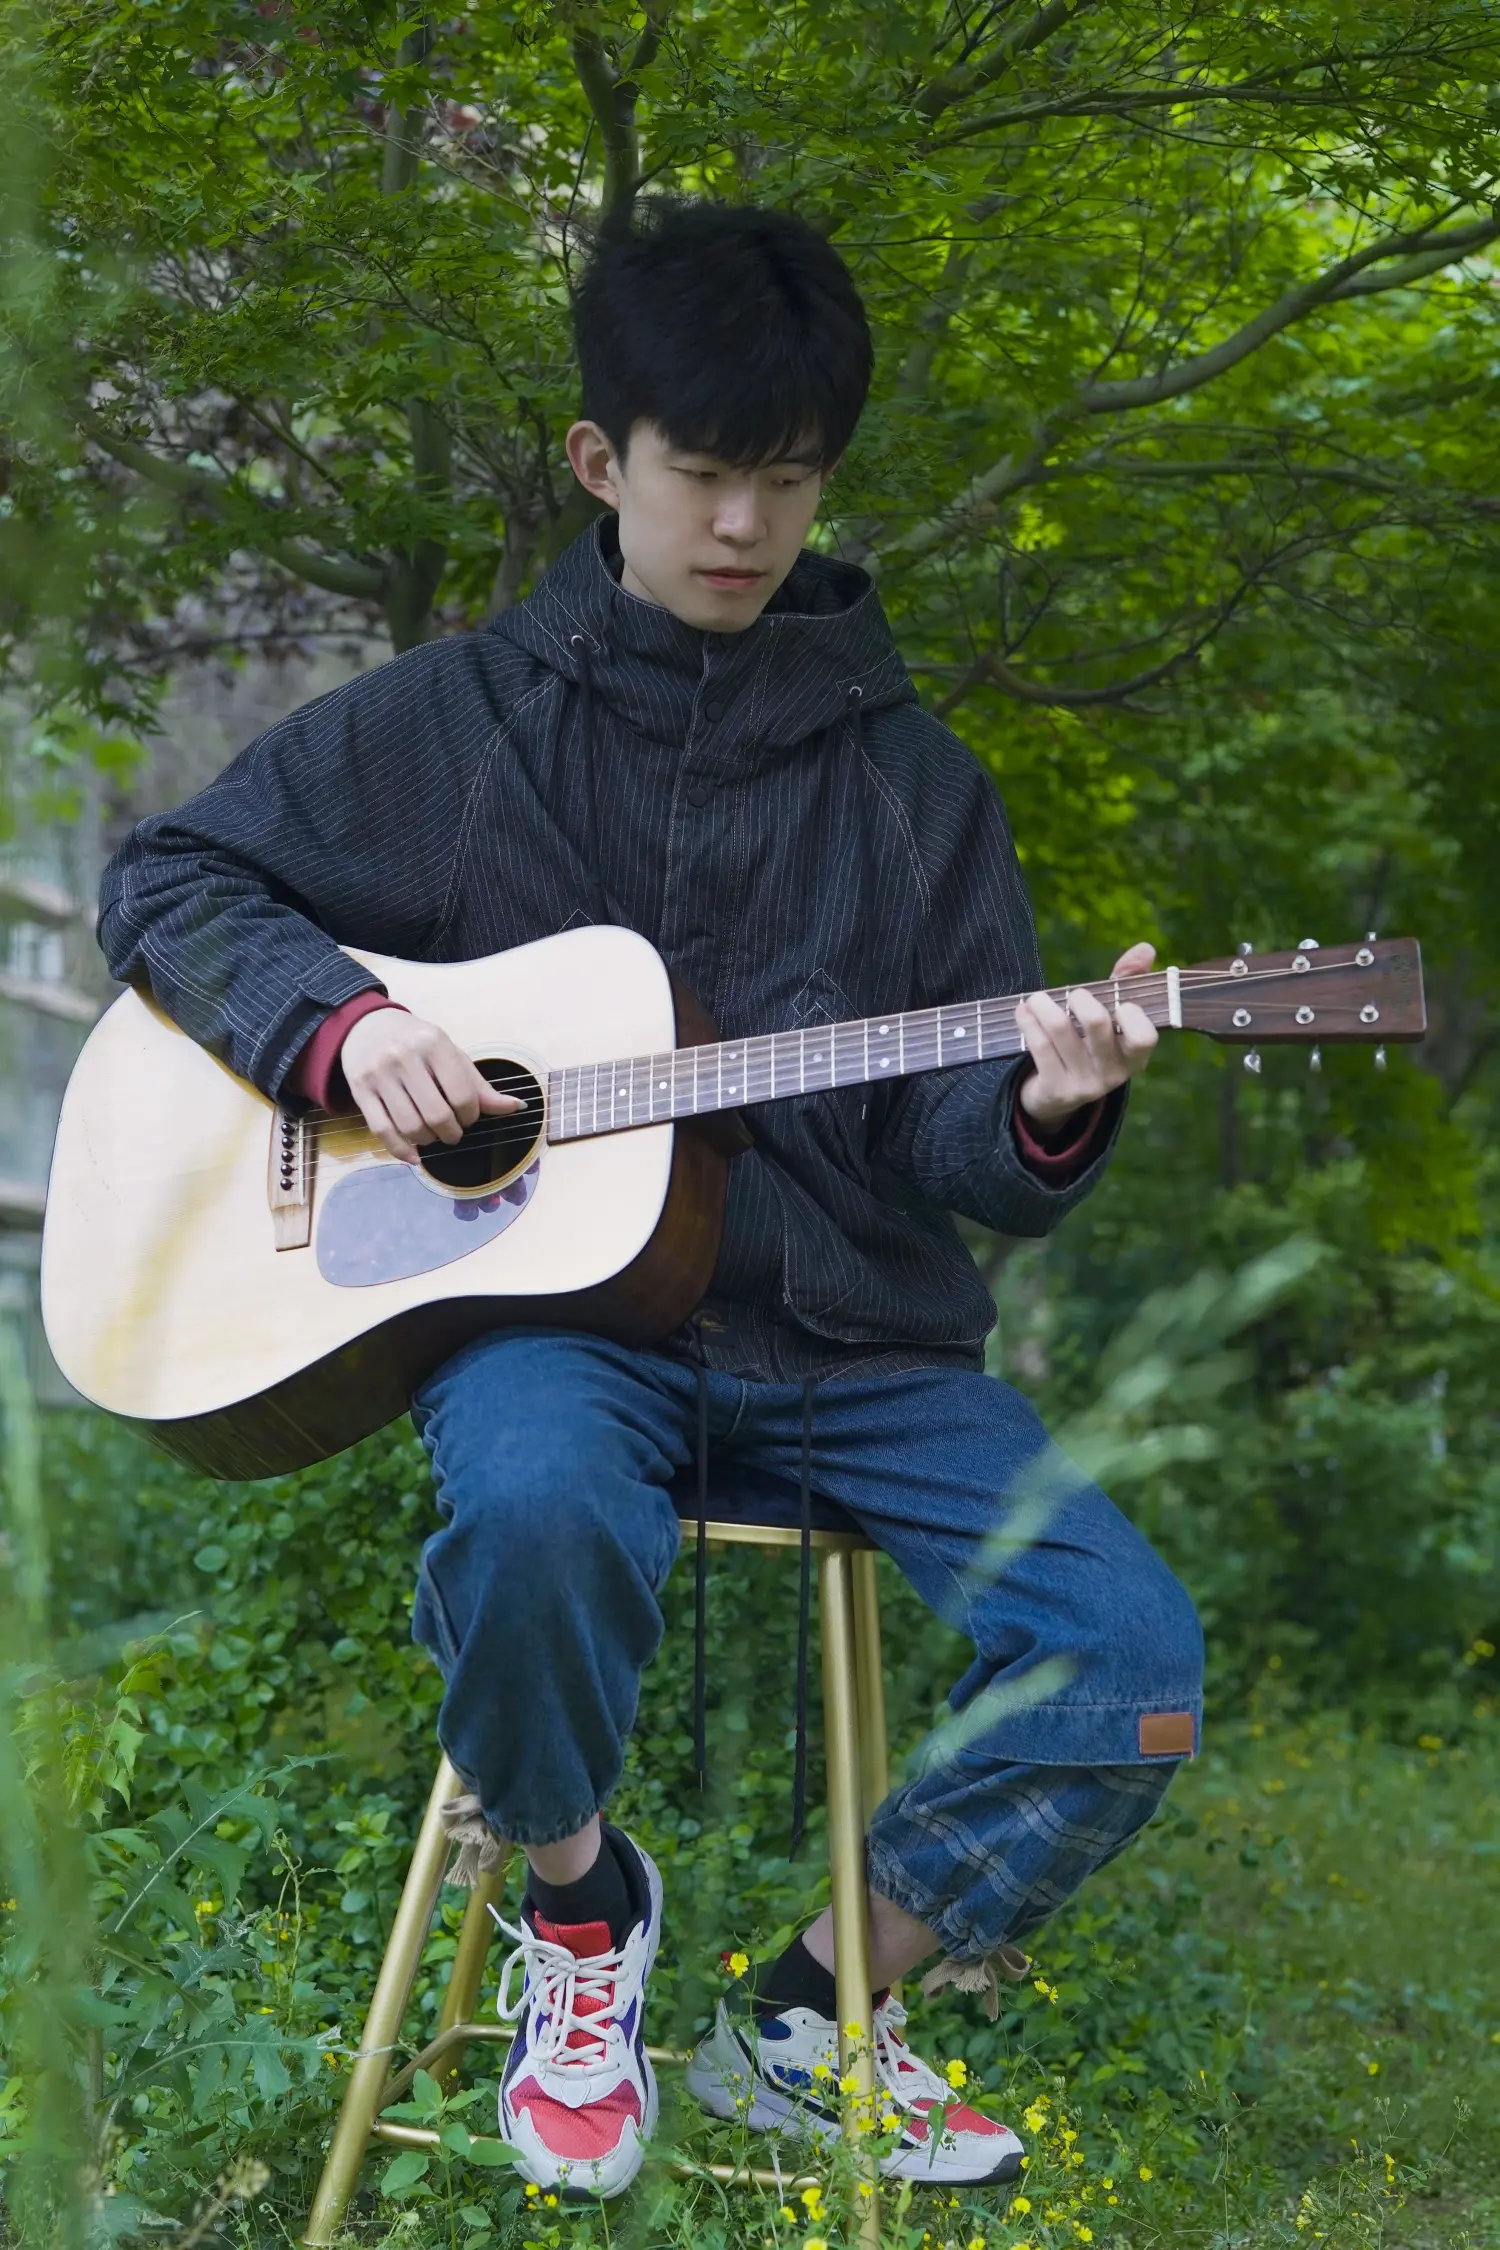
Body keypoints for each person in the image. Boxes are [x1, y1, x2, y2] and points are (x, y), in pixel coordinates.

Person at [98, 200, 1203, 2202]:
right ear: (604, 461)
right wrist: (343, 1031)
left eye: (791, 480)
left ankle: (812, 2016)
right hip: (562, 1335)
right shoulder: (453, 728)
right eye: (704, 475)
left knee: (1129, 1655)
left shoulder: (917, 792)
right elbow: (170, 879)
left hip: (858, 1342)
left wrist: (1046, 1105)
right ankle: (581, 1905)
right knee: (529, 1508)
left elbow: (964, 1157)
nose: (746, 527)